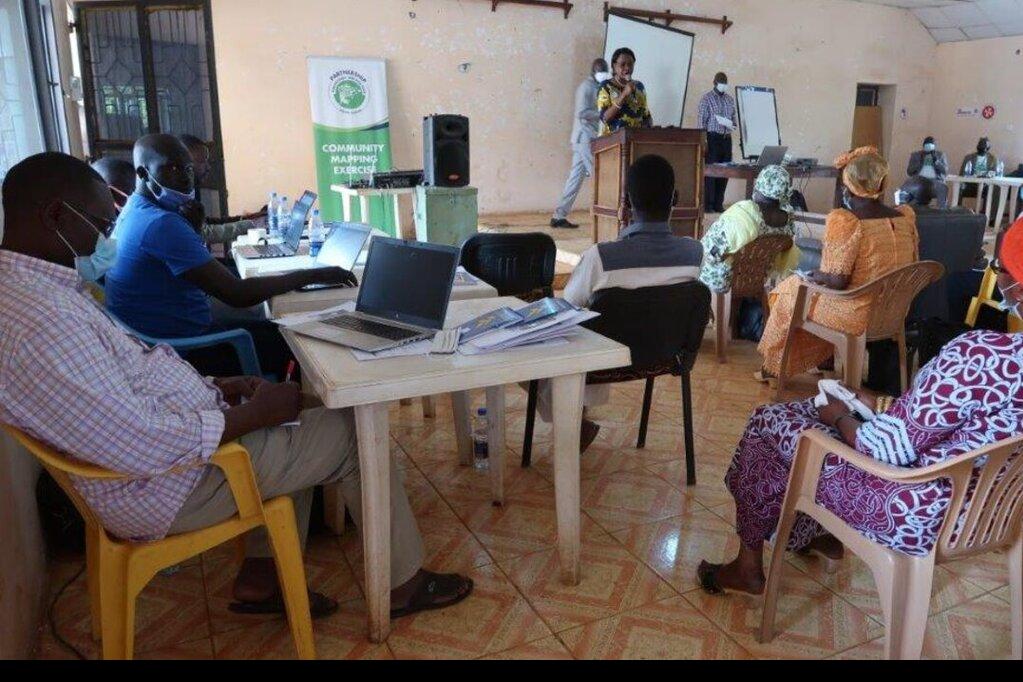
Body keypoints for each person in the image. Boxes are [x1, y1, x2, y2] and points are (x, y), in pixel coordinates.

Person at [0, 152, 472, 618]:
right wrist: (253, 415)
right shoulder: (41, 325)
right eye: (102, 225)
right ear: (55, 216)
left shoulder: (37, 294)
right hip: (164, 487)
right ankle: (404, 585)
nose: (106, 238)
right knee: (356, 433)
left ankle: (262, 579)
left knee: (296, 414)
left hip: (161, 467)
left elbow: (127, 387)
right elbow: (139, 442)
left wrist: (217, 388)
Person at [696, 218, 1023, 595]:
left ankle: (749, 566)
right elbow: (966, 427)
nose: (996, 275)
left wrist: (837, 415)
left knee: (769, 425)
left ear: (1018, 286)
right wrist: (880, 404)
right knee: (797, 417)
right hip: (989, 511)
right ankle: (814, 534)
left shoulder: (981, 356)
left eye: (999, 266)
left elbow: (885, 449)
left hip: (912, 508)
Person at [106, 133, 353, 378]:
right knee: (302, 345)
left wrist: (193, 230)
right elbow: (238, 295)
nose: (185, 178)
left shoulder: (135, 210)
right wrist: (313, 275)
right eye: (172, 169)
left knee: (278, 327)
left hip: (157, 341)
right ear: (143, 173)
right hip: (186, 350)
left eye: (188, 169)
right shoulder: (161, 223)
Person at [538, 155, 703, 447]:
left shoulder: (600, 257)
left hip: (602, 363)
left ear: (625, 202)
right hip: (663, 357)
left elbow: (569, 307)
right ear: (675, 199)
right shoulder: (693, 254)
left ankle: (573, 420)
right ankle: (577, 420)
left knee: (565, 334)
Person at [756, 147, 919, 381]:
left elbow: (837, 281)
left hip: (856, 313)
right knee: (804, 294)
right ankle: (822, 361)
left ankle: (773, 369)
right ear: (882, 182)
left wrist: (816, 275)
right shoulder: (905, 218)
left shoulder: (846, 221)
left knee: (788, 291)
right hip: (894, 312)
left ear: (848, 185)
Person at [699, 164, 800, 294]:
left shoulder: (744, 214)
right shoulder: (787, 220)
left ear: (760, 185)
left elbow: (711, 253)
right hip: (755, 279)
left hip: (722, 283)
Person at [550, 58, 609, 230]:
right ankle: (606, 214)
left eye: (605, 71)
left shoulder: (599, 86)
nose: (603, 74)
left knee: (575, 179)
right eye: (601, 71)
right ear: (593, 71)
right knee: (599, 174)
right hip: (584, 138)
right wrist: (602, 114)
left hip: (588, 137)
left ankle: (558, 216)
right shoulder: (586, 87)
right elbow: (582, 113)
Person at [178, 133, 265, 247]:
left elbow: (204, 222)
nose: (208, 167)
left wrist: (246, 218)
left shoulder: (189, 191)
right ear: (185, 164)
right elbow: (204, 232)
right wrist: (252, 225)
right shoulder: (176, 198)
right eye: (202, 161)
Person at [697, 72, 737, 214]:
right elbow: (701, 122)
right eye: (721, 82)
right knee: (711, 172)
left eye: (725, 83)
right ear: (714, 83)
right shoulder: (706, 99)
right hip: (712, 138)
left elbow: (734, 120)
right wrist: (704, 141)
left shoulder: (730, 100)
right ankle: (708, 205)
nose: (723, 85)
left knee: (725, 171)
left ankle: (718, 204)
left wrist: (732, 124)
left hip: (726, 139)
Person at [596, 48, 651, 136]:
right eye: (623, 64)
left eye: (630, 64)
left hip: (635, 139)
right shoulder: (606, 86)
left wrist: (647, 131)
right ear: (614, 66)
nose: (627, 68)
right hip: (612, 140)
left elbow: (646, 116)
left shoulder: (639, 86)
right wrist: (624, 94)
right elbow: (605, 118)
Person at [898, 136, 949, 208]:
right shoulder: (916, 155)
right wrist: (920, 162)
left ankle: (941, 211)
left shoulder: (940, 155)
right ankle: (902, 210)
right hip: (918, 180)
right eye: (926, 145)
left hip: (934, 181)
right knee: (905, 189)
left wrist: (936, 161)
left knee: (943, 188)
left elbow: (945, 171)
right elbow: (909, 171)